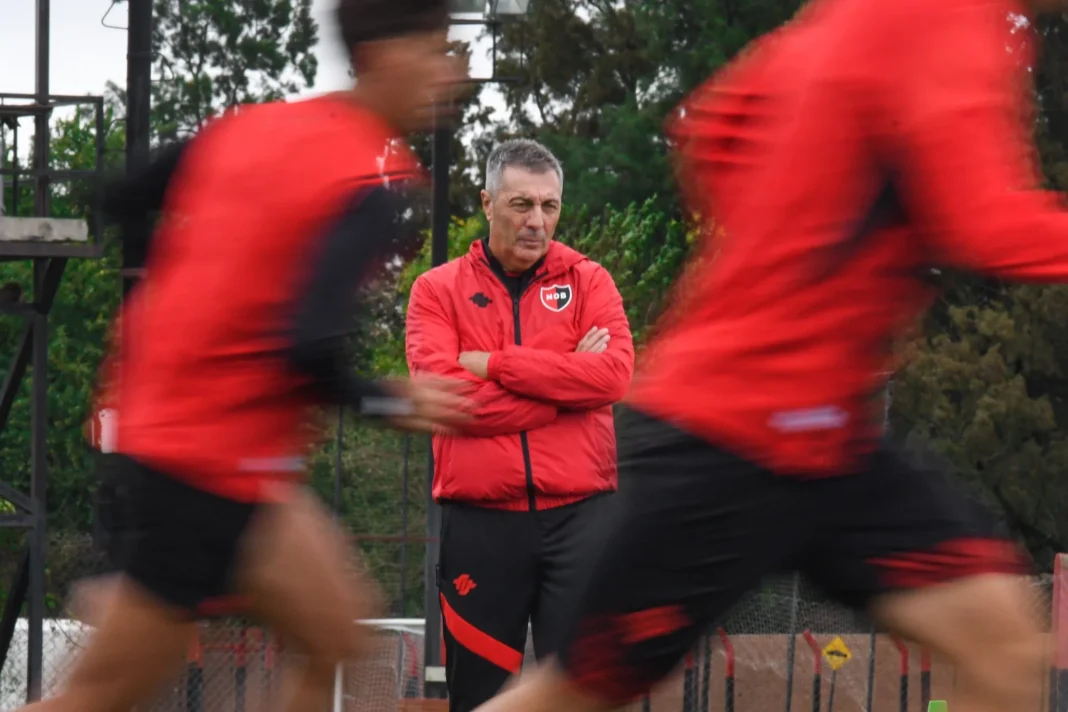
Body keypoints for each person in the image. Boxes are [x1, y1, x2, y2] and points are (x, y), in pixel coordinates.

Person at [472, 0, 1068, 711]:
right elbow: (987, 225)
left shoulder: (837, 24)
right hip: (727, 433)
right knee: (573, 693)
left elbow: (709, 126)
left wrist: (790, 235)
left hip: (828, 438)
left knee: (1001, 646)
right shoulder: (945, 23)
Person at [20, 1, 472, 710]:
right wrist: (388, 398)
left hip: (204, 449)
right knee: (102, 693)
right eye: (438, 51)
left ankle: (125, 591)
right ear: (384, 56)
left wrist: (162, 311)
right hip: (198, 465)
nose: (453, 74)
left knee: (334, 636)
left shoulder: (251, 125)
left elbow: (124, 193)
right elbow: (309, 347)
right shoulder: (372, 182)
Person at [405, 139, 634, 711]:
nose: (537, 222)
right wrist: (564, 392)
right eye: (521, 205)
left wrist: (496, 365)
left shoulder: (590, 280)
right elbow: (448, 400)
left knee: (584, 692)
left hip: (582, 520)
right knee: (480, 694)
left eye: (549, 207)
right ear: (487, 202)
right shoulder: (436, 291)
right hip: (480, 525)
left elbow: (612, 378)